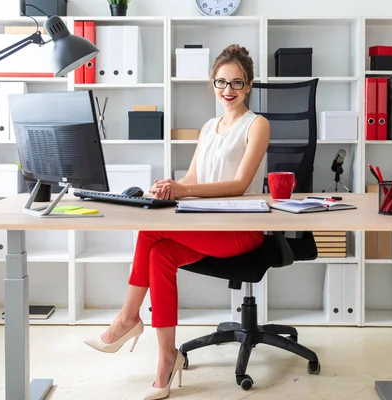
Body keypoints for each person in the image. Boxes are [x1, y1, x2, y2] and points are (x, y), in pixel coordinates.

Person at [84, 44, 271, 400]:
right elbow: (194, 176)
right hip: (205, 224)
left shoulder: (257, 125)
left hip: (240, 229)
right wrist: (171, 189)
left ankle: (127, 318)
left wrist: (184, 188)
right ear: (212, 84)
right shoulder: (208, 126)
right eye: (221, 82)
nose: (227, 90)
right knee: (160, 254)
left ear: (248, 86)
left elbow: (239, 184)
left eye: (236, 83)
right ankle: (167, 357)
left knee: (151, 228)